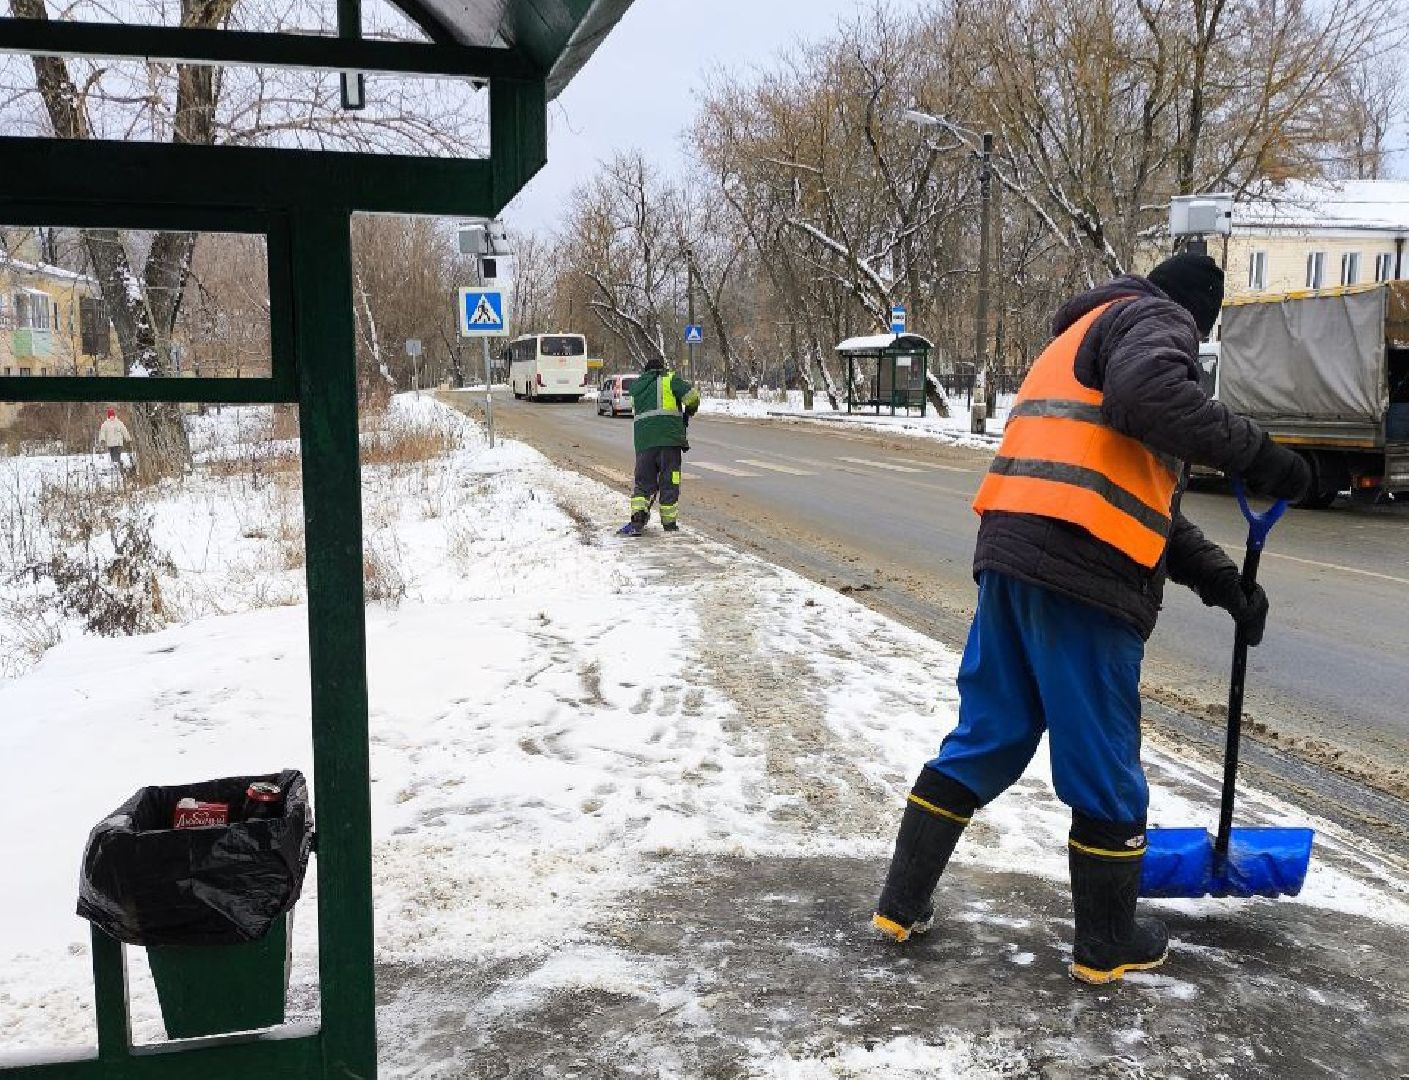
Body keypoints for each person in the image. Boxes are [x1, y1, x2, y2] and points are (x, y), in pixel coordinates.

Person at [871, 253, 1311, 984]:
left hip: (1014, 557)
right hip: (1084, 572)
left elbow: (1134, 496)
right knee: (1102, 763)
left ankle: (898, 904)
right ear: (1195, 313)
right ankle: (1105, 944)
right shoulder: (1152, 317)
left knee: (987, 735)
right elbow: (1147, 400)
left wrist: (1223, 584)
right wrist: (1262, 456)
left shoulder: (1080, 335)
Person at [620, 355, 700, 536]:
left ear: (646, 371)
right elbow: (692, 397)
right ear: (662, 368)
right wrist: (689, 412)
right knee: (669, 480)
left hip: (644, 443)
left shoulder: (637, 387)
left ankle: (638, 516)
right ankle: (669, 524)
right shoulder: (670, 379)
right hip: (669, 441)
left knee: (643, 482)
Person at [96, 408, 132, 475]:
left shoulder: (119, 423)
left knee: (117, 455)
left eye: (113, 416)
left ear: (114, 416)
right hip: (110, 444)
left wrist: (128, 438)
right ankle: (117, 468)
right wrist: (102, 439)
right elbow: (102, 432)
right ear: (108, 416)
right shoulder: (105, 424)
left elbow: (124, 430)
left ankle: (119, 466)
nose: (112, 417)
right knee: (113, 457)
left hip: (118, 443)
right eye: (110, 416)